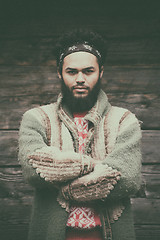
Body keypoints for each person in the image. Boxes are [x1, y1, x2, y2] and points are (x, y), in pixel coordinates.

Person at [18, 29, 142, 240]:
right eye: (72, 72)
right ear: (60, 73)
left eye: (88, 71)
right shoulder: (37, 118)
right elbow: (33, 169)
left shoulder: (124, 120)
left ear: (101, 72)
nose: (80, 79)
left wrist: (61, 176)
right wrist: (94, 166)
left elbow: (128, 179)